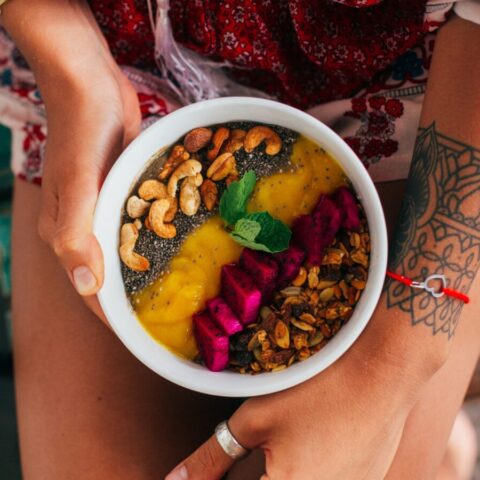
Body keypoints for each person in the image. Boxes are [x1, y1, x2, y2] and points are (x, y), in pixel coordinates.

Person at [1, 1, 479, 478]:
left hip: (407, 76)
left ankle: (441, 446)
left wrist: (392, 368)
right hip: (112, 53)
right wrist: (75, 73)